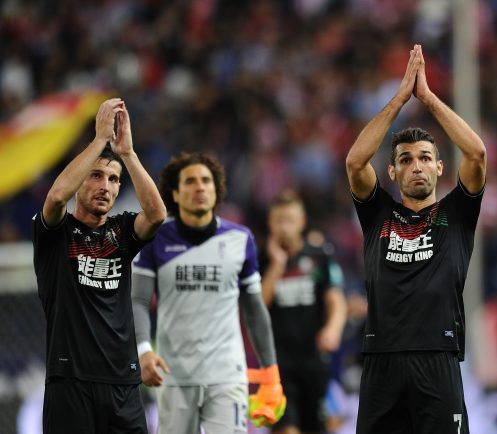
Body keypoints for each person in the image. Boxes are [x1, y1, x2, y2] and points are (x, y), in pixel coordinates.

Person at [345, 44, 487, 434]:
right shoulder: (379, 215)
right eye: (406, 159)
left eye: (425, 157)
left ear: (440, 168)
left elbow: (476, 153)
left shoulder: (455, 214)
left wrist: (427, 98)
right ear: (392, 171)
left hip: (438, 357)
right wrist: (400, 98)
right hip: (381, 360)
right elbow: (355, 162)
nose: (417, 165)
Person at [32, 98, 167, 434]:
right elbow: (56, 197)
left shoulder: (120, 231)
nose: (105, 186)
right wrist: (98, 141)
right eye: (95, 176)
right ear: (81, 181)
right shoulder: (56, 231)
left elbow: (157, 215)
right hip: (70, 379)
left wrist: (128, 155)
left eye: (113, 179)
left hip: (123, 380)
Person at [131, 151, 286, 434]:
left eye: (206, 181)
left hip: (227, 374)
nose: (200, 187)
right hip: (173, 375)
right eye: (190, 181)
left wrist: (270, 371)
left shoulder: (240, 239)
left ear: (217, 191)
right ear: (175, 194)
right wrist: (143, 351)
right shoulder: (155, 239)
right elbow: (138, 300)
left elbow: (254, 309)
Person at [261, 190, 348, 434]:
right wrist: (276, 266)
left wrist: (332, 329)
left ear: (302, 221)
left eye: (289, 220)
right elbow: (257, 306)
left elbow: (336, 300)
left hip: (314, 361)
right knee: (286, 429)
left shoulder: (319, 256)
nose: (284, 227)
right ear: (270, 222)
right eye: (278, 220)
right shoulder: (260, 259)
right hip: (278, 365)